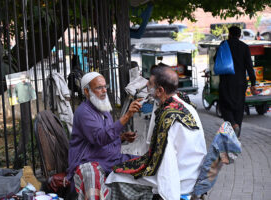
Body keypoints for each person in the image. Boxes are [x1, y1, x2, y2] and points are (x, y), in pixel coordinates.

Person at [105, 66, 207, 200]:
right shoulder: (185, 102)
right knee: (128, 165)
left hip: (181, 180)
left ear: (160, 91)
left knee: (115, 176)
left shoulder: (167, 117)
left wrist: (168, 196)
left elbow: (167, 164)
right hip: (192, 171)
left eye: (149, 85)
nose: (146, 88)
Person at [67, 72, 142, 199]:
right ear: (86, 91)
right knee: (91, 173)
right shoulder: (83, 112)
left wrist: (122, 137)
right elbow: (100, 138)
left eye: (105, 86)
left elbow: (107, 134)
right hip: (92, 161)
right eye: (98, 88)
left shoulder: (103, 108)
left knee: (145, 163)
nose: (104, 90)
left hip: (112, 159)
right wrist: (127, 116)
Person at [218, 26, 256, 137]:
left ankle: (233, 125)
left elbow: (216, 60)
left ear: (229, 34)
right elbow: (250, 66)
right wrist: (253, 83)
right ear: (240, 35)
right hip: (240, 83)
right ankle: (236, 133)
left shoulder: (223, 45)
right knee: (239, 107)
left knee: (225, 106)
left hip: (226, 82)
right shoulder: (244, 47)